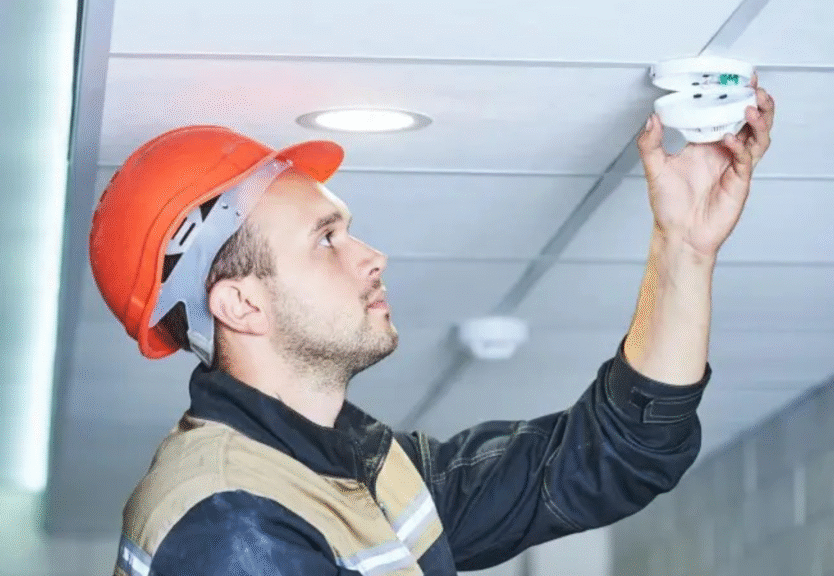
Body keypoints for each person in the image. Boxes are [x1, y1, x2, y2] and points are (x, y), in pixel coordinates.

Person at [90, 77, 775, 576]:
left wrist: (685, 248)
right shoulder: (230, 520)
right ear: (241, 305)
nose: (372, 256)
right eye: (326, 239)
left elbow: (611, 459)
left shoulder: (358, 467)